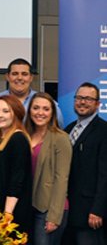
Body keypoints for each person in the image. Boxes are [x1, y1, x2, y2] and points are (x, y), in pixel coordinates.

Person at [25, 92, 72, 245]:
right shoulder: (24, 135)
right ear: (29, 110)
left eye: (46, 109)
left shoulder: (60, 138)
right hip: (28, 206)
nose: (40, 113)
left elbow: (62, 178)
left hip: (49, 209)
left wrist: (54, 216)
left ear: (52, 113)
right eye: (36, 108)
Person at [64, 82, 107, 244]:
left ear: (97, 104)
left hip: (90, 214)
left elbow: (105, 175)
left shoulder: (104, 131)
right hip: (69, 212)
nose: (82, 102)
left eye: (88, 99)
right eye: (79, 98)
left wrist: (98, 210)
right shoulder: (68, 129)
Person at [0, 95, 32, 235]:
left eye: (6, 111)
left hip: (10, 214)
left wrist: (7, 214)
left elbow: (17, 179)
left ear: (16, 114)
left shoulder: (18, 139)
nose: (0, 115)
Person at [0, 58, 64, 127]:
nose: (20, 78)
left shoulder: (45, 103)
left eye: (24, 74)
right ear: (7, 77)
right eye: (15, 74)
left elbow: (58, 128)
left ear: (31, 78)